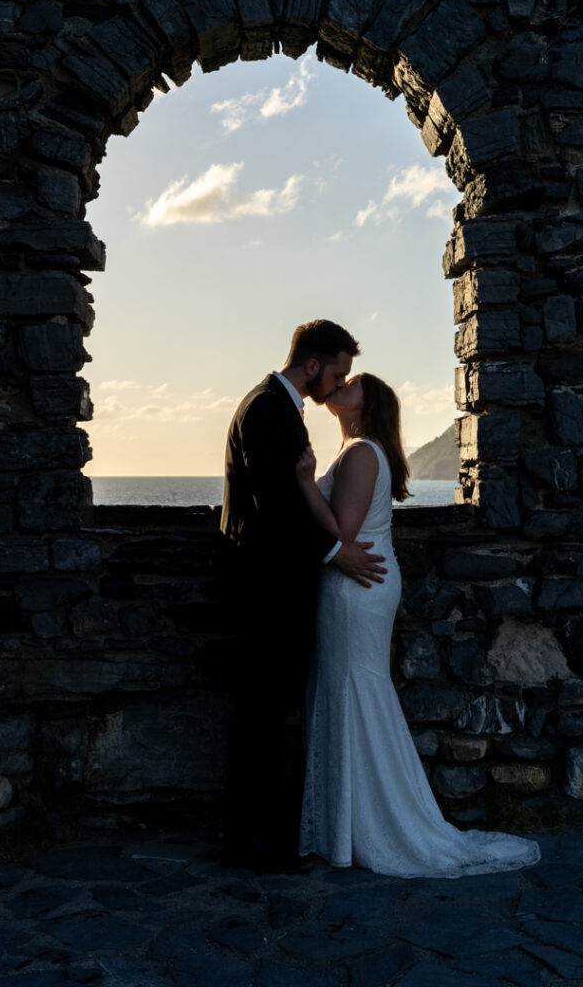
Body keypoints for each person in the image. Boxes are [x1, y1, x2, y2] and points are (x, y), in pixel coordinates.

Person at [295, 372, 541, 877]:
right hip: (357, 584)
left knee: (354, 691)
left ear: (370, 404)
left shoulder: (362, 453)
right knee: (350, 690)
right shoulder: (357, 450)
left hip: (356, 587)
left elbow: (342, 530)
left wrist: (303, 482)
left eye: (353, 383)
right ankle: (350, 825)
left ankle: (373, 826)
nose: (341, 384)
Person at [219, 320, 387, 872]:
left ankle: (259, 838)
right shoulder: (268, 409)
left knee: (267, 712)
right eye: (336, 374)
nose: (337, 384)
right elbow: (275, 505)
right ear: (312, 366)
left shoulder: (276, 406)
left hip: (275, 586)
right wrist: (335, 552)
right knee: (262, 714)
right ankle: (253, 845)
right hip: (269, 589)